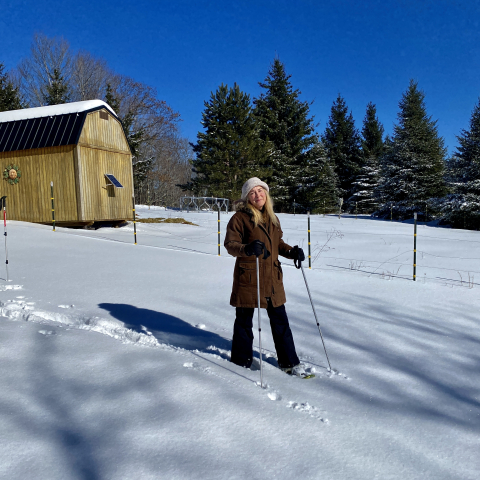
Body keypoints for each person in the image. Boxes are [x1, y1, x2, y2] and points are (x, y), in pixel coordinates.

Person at [224, 177, 307, 377]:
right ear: (247, 198)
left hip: (272, 279)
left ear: (266, 194)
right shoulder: (239, 218)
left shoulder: (273, 218)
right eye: (252, 193)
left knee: (280, 321)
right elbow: (230, 245)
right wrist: (247, 249)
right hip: (250, 278)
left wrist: (292, 252)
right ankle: (240, 361)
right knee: (244, 322)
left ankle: (289, 362)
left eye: (260, 191)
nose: (257, 195)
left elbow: (278, 244)